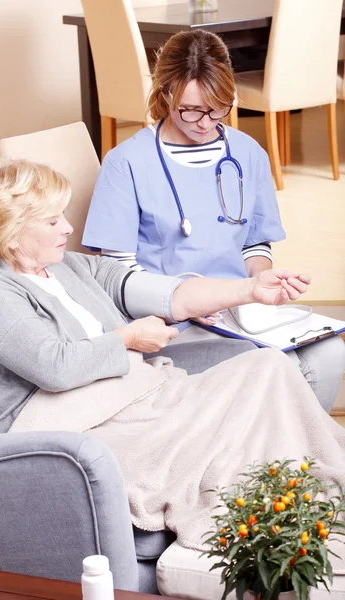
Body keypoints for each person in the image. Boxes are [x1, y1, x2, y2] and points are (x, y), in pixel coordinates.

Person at [0, 158, 345, 555]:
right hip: (74, 422)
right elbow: (54, 366)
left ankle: (318, 490)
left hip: (138, 393)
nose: (69, 227)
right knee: (221, 432)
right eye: (52, 220)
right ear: (10, 229)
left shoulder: (68, 266)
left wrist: (249, 289)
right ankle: (274, 519)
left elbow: (162, 293)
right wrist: (127, 338)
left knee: (268, 365)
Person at [81, 29, 345, 413]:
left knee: (329, 354)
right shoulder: (126, 164)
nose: (205, 122)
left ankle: (296, 468)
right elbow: (116, 273)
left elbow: (253, 244)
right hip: (172, 322)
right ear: (166, 92)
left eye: (218, 108)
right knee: (279, 368)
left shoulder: (246, 152)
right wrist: (189, 298)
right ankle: (265, 466)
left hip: (242, 310)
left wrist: (261, 281)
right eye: (191, 109)